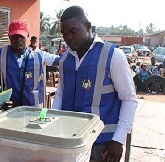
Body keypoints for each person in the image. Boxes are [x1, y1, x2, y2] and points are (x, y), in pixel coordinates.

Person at [52, 6, 138, 162]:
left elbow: (129, 99)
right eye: (64, 34)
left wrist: (118, 139)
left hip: (102, 144)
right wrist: (51, 123)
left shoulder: (112, 56)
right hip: (69, 141)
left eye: (73, 31)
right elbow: (61, 93)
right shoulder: (65, 59)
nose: (68, 38)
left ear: (88, 26)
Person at [0, 20, 59, 108]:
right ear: (9, 37)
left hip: (34, 107)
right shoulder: (0, 54)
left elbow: (60, 61)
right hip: (10, 107)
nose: (18, 39)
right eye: (15, 36)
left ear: (27, 36)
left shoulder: (38, 55)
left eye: (21, 36)